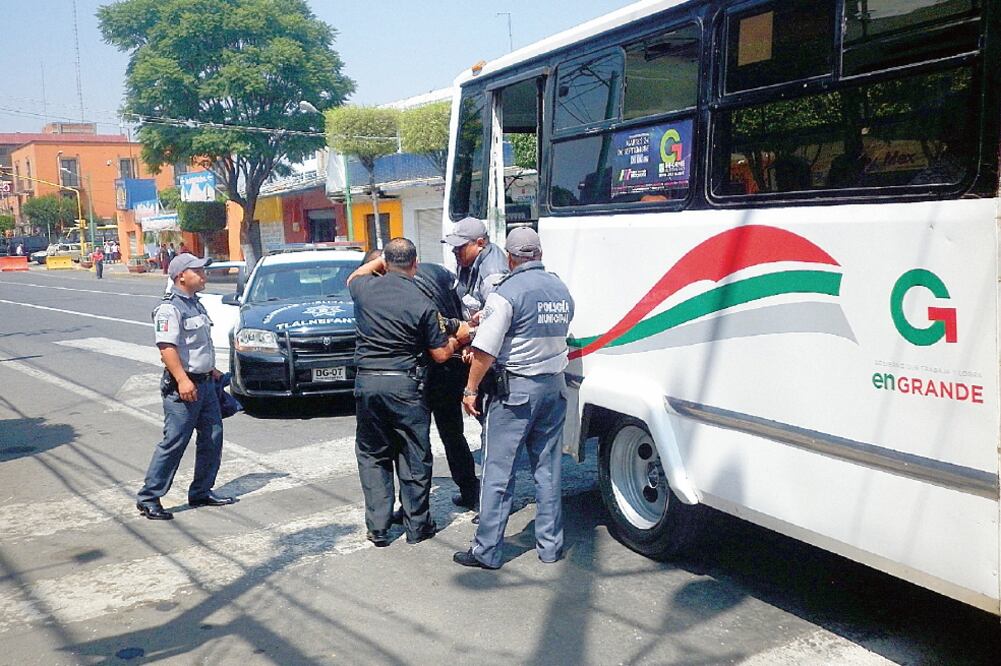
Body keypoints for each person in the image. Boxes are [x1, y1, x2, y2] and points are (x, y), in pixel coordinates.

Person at [453, 227, 575, 569]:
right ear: (538, 254)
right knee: (548, 471)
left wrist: (471, 389)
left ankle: (487, 551)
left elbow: (484, 350)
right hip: (553, 387)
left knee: (498, 472)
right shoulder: (560, 288)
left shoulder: (505, 293)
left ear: (509, 257)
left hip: (515, 393)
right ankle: (550, 548)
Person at [347, 237, 468, 547]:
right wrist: (459, 339)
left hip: (368, 384)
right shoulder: (422, 301)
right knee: (414, 453)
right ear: (415, 265)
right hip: (406, 386)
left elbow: (354, 277)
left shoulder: (365, 289)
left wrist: (382, 260)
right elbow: (441, 355)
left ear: (385, 263)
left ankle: (378, 527)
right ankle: (417, 526)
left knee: (373, 455)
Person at [135, 253, 234, 520]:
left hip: (205, 385)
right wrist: (182, 379)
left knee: (212, 438)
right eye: (198, 271)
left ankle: (201, 491)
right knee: (175, 442)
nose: (204, 276)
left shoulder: (195, 304)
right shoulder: (170, 308)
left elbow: (198, 345)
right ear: (181, 276)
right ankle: (149, 497)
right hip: (184, 388)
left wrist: (211, 370)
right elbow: (166, 348)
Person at [441, 217, 508, 319]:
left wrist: (470, 331)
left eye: (460, 246)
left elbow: (498, 320)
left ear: (480, 243)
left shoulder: (492, 275)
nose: (454, 251)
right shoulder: (466, 261)